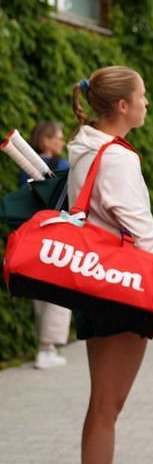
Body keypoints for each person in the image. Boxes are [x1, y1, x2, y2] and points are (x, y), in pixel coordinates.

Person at [67, 67, 153, 464]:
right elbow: (143, 232)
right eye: (142, 96)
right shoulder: (116, 158)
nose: (147, 103)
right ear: (122, 106)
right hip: (118, 289)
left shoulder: (84, 150)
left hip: (93, 284)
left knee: (105, 405)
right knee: (106, 406)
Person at [19, 120, 73, 369]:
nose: (62, 142)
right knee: (59, 289)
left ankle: (44, 346)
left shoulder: (24, 167)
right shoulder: (61, 166)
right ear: (46, 140)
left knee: (40, 289)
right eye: (58, 138)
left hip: (32, 233)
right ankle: (47, 348)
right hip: (58, 233)